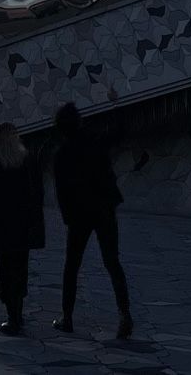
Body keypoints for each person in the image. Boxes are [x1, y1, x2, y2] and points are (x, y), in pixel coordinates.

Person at [48, 102, 133, 338]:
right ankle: (124, 314)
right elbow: (119, 131)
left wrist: (67, 218)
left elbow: (61, 191)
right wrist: (116, 104)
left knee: (71, 266)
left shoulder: (62, 154)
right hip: (104, 208)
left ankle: (67, 317)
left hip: (79, 214)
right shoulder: (95, 141)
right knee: (112, 261)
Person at [0, 121, 46, 335]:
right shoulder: (26, 160)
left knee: (7, 271)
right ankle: (18, 313)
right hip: (23, 225)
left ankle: (12, 317)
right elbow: (38, 194)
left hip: (3, 226)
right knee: (20, 269)